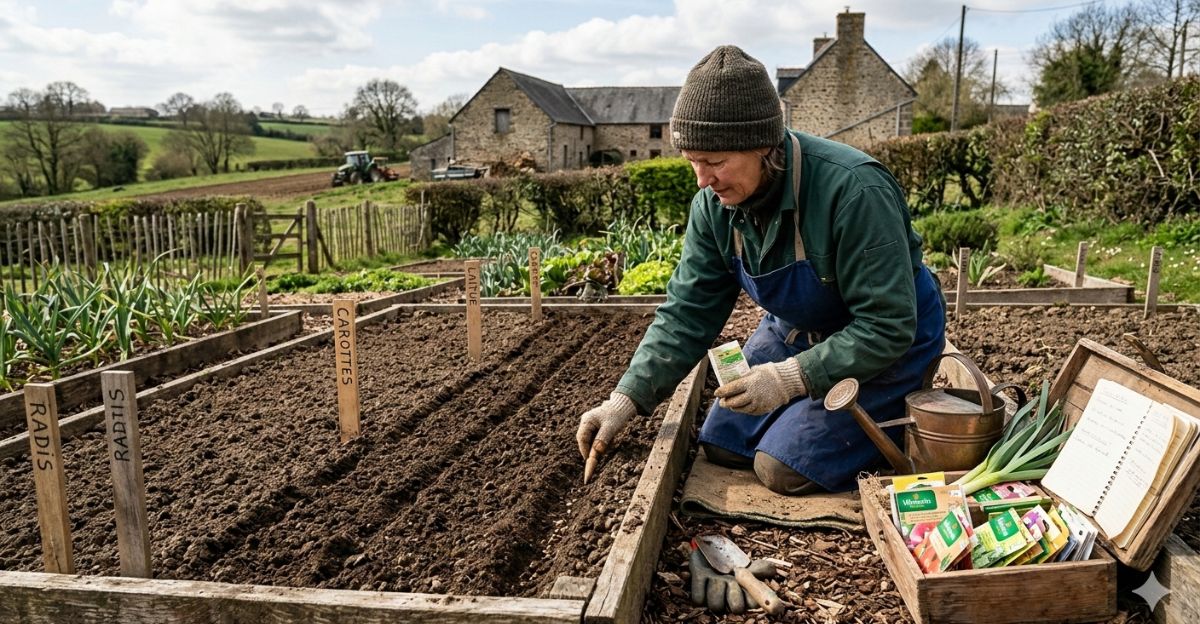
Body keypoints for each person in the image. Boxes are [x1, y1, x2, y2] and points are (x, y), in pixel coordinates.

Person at [575, 45, 946, 495]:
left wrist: (790, 379)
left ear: (764, 145)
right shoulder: (713, 206)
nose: (702, 180)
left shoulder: (853, 190)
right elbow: (688, 312)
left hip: (887, 344)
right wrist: (623, 401)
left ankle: (905, 421)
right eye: (692, 161)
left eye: (715, 162)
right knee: (724, 445)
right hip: (798, 331)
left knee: (782, 467)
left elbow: (888, 324)